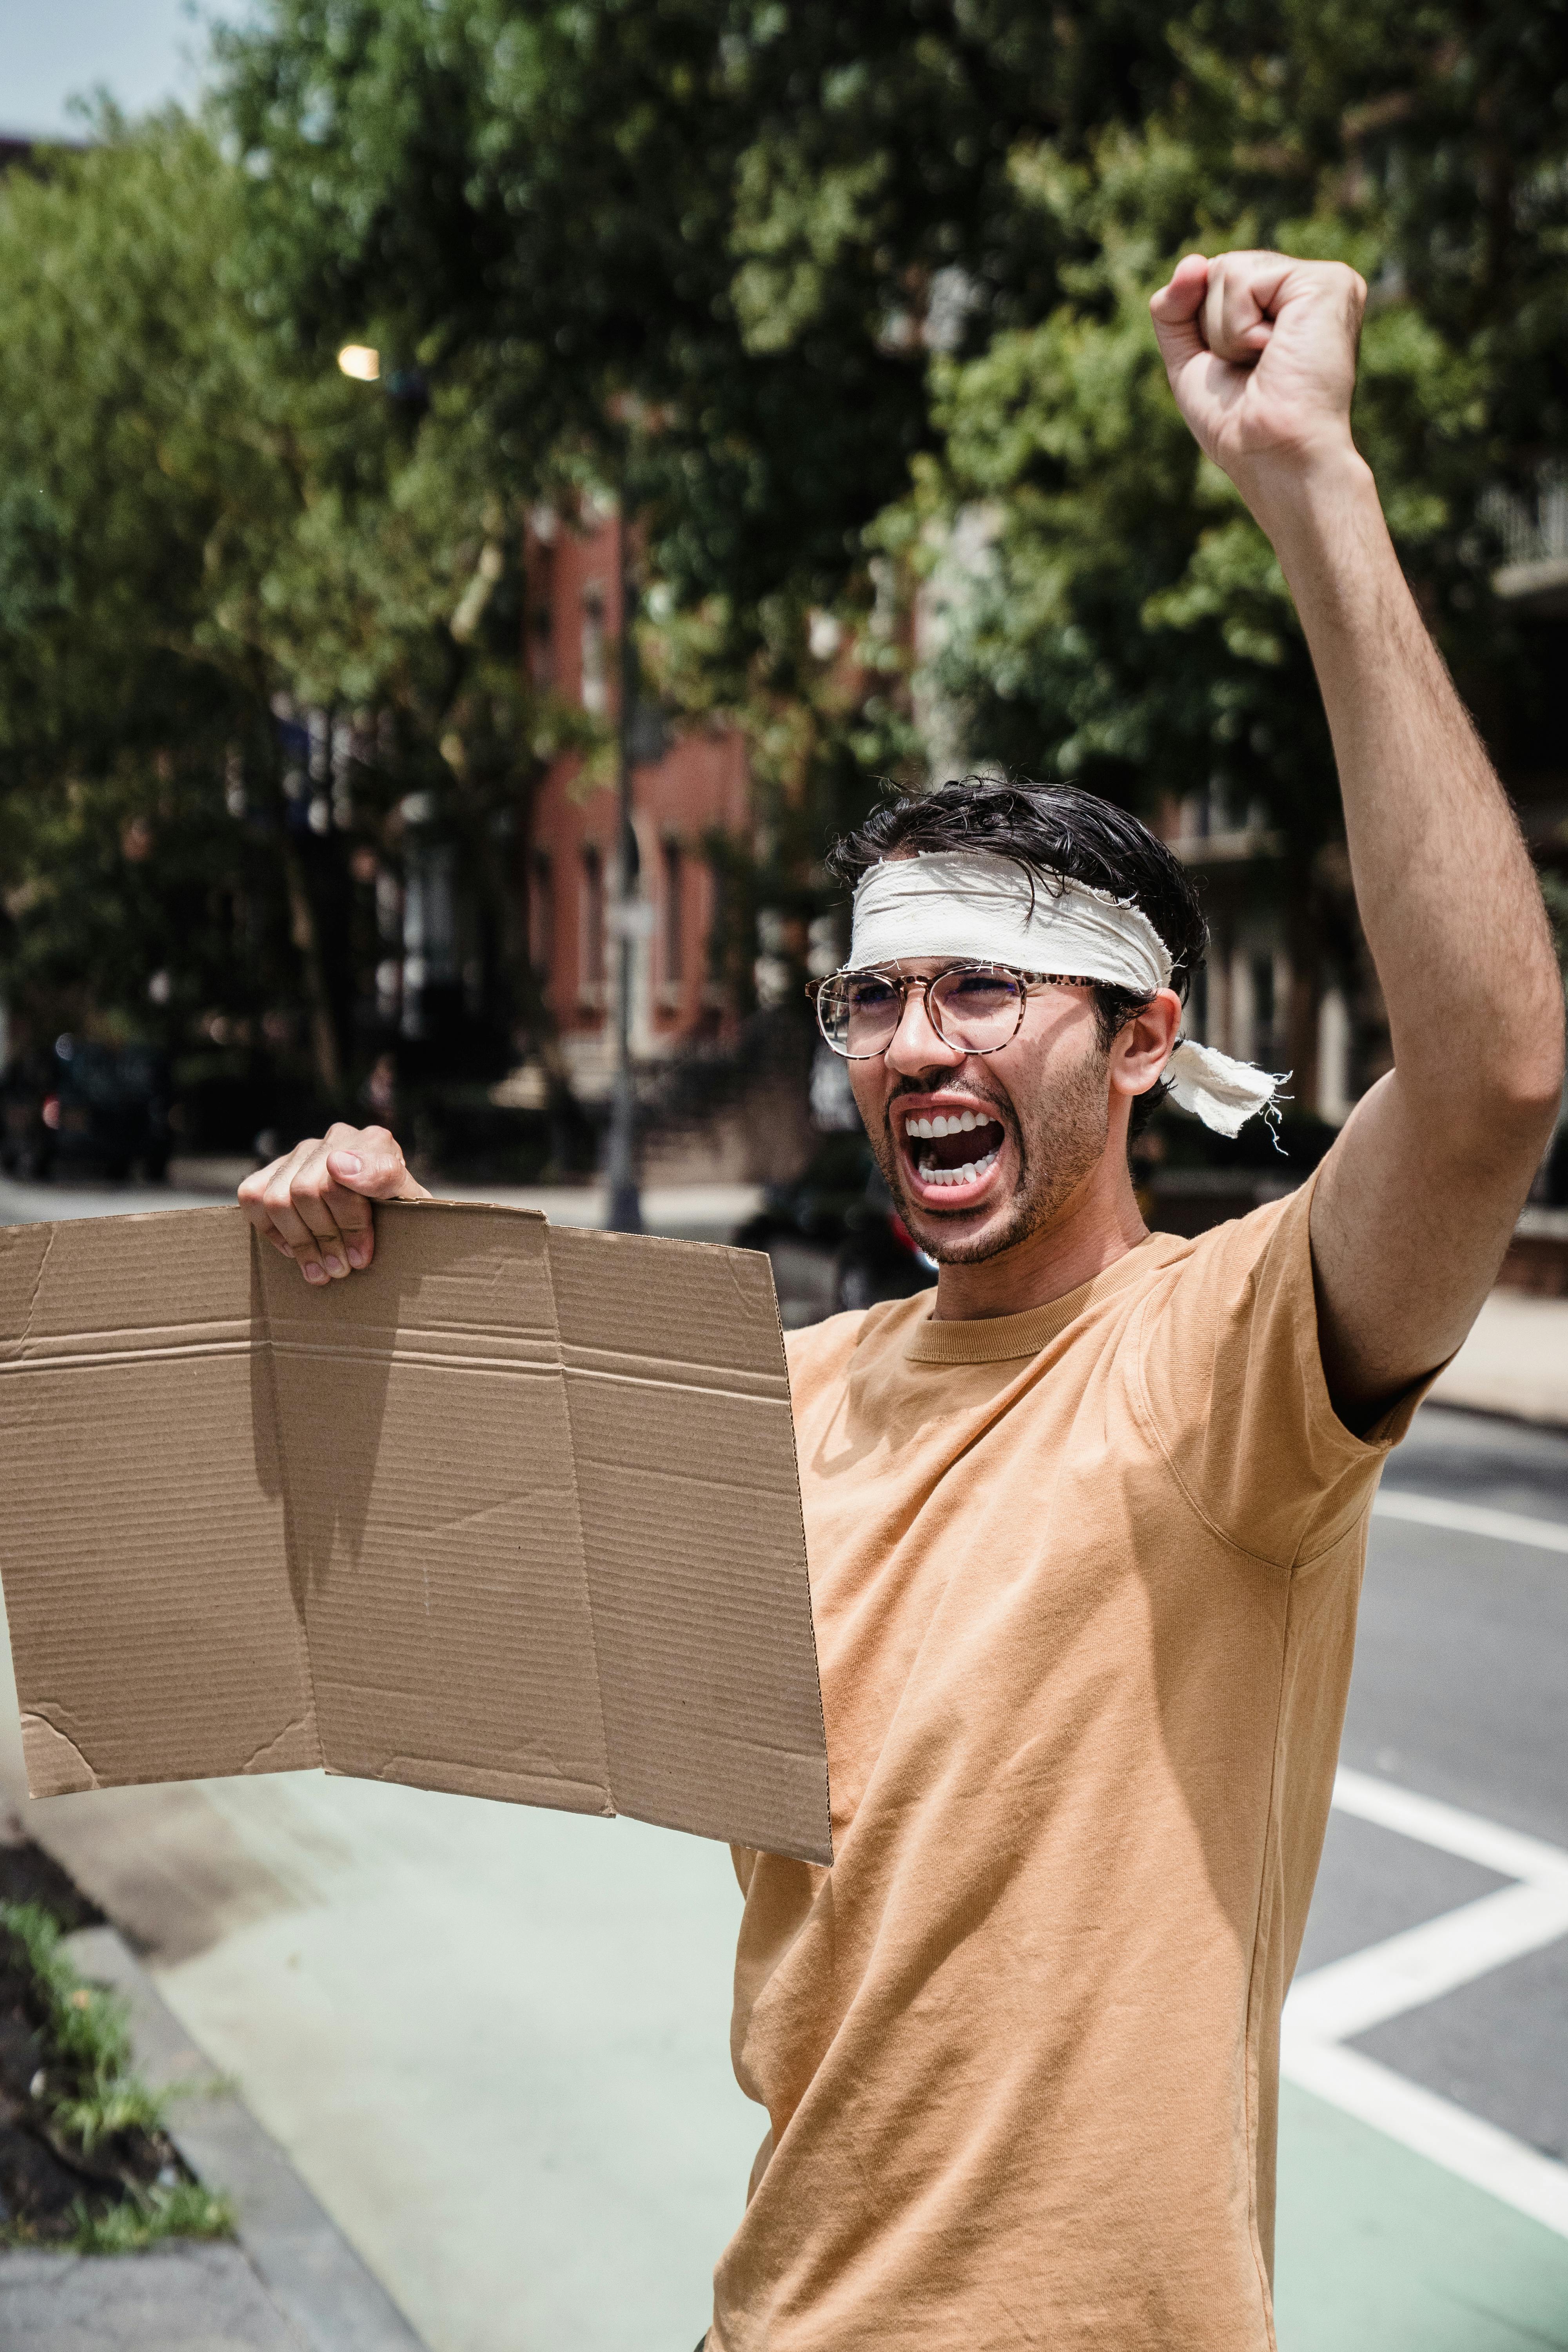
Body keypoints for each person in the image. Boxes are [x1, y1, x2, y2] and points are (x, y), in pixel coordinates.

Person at [239, 250, 1564, 2350]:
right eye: (872, 994)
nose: (914, 1043)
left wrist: (1311, 479)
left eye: (982, 986)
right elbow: (388, 1596)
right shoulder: (778, 1401)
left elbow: (1495, 1075)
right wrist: (348, 1283)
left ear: (1143, 1043)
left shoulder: (1229, 1372)